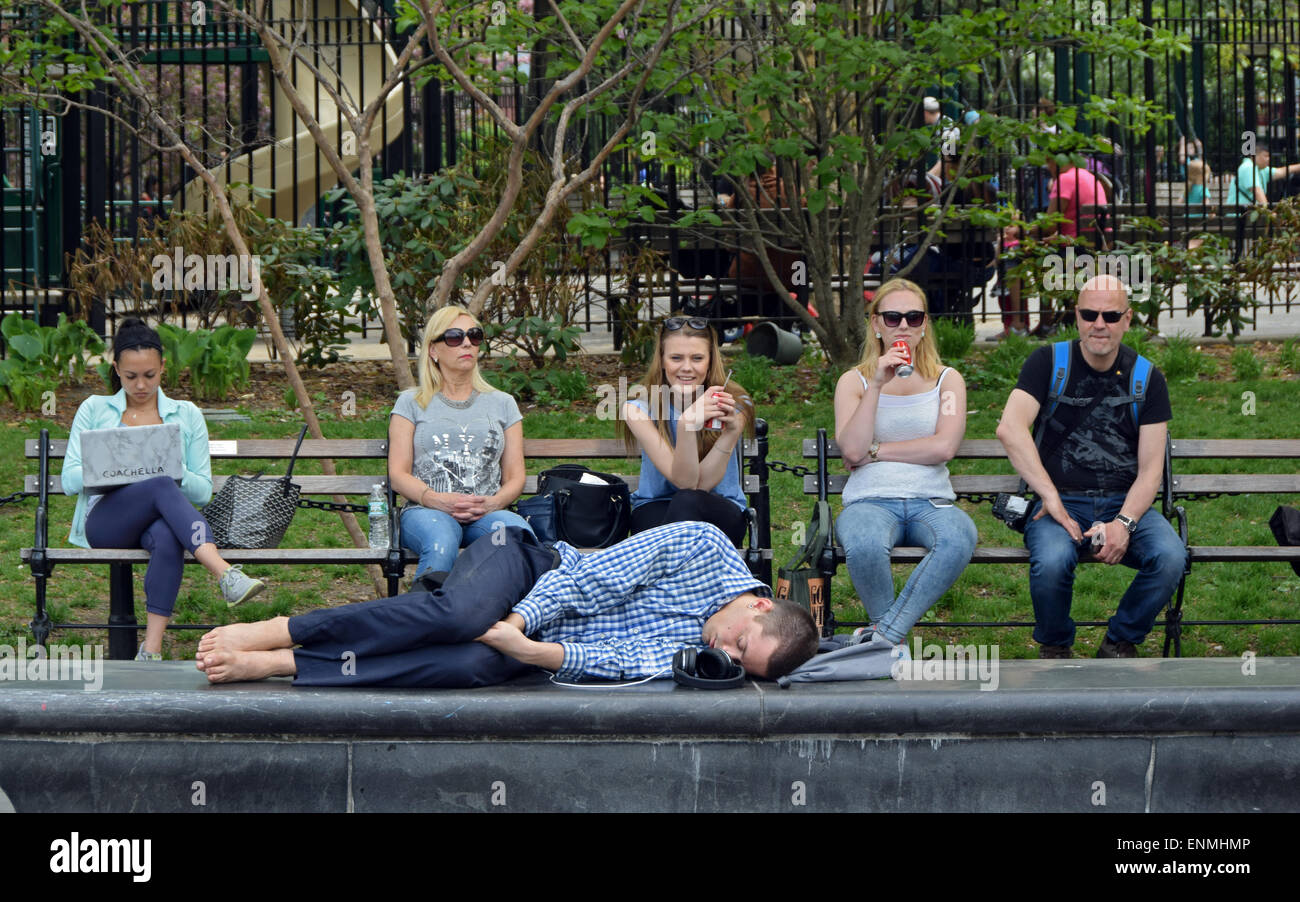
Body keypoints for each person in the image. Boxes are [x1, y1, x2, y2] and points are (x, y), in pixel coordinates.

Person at [195, 521, 820, 686]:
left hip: (533, 641)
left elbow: (621, 662)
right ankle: (280, 629)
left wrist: (526, 650)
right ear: (761, 605)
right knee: (460, 617)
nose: (726, 655)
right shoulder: (706, 548)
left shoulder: (706, 659)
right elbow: (589, 581)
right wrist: (517, 622)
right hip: (527, 565)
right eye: (741, 644)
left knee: (472, 666)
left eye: (741, 666)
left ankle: (291, 666)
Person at [995, 274, 1187, 659]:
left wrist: (1125, 523)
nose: (1100, 324)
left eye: (1111, 315)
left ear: (1128, 319)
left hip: (1125, 501)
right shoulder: (1047, 363)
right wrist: (1049, 497)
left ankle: (1119, 641)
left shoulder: (1147, 378)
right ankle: (1055, 646)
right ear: (1077, 316)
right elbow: (1010, 428)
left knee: (1171, 557)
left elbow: (1150, 470)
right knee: (1051, 562)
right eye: (1089, 314)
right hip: (1060, 501)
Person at [62, 318, 266, 661]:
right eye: (130, 377)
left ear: (163, 368)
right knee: (158, 483)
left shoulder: (185, 414)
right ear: (116, 369)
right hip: (107, 523)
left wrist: (175, 469)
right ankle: (224, 572)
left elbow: (201, 492)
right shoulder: (95, 409)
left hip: (161, 519)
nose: (141, 385)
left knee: (167, 531)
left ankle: (151, 651)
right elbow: (69, 481)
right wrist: (123, 466)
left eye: (150, 375)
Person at [832, 279, 977, 651]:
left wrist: (877, 450)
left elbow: (944, 447)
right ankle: (890, 642)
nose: (903, 327)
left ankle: (883, 639)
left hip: (932, 501)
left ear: (925, 324)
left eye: (913, 317)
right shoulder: (855, 381)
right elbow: (851, 450)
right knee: (863, 542)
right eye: (893, 317)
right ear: (876, 324)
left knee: (959, 537)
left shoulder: (948, 380)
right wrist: (877, 386)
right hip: (870, 500)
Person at [389, 305, 532, 582]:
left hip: (487, 512)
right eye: (454, 337)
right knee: (441, 541)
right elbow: (398, 474)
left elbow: (516, 475)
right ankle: (425, 619)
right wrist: (435, 499)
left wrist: (493, 503)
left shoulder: (503, 403)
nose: (466, 343)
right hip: (426, 510)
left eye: (474, 335)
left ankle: (502, 619)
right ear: (433, 350)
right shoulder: (411, 403)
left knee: (516, 536)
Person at [616, 316, 754, 547]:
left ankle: (664, 580)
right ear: (661, 360)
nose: (687, 367)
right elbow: (685, 481)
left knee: (688, 501)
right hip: (655, 508)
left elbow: (699, 487)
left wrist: (730, 434)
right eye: (676, 358)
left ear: (710, 361)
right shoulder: (637, 409)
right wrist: (686, 425)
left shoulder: (733, 404)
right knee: (684, 502)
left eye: (697, 358)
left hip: (720, 509)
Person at [1030, 154, 1109, 336]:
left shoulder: (1065, 179)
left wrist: (1024, 231)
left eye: (1049, 160)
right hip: (1097, 247)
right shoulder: (1088, 176)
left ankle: (1046, 322)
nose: (1047, 165)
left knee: (1036, 256)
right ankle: (1064, 315)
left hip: (1077, 250)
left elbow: (1049, 225)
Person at [1232, 146, 1300, 209]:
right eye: (1265, 156)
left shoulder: (1261, 169)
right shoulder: (1248, 167)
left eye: (1269, 156)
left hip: (1248, 214)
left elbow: (1281, 171)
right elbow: (1257, 192)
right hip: (1238, 216)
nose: (1268, 159)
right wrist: (1269, 213)